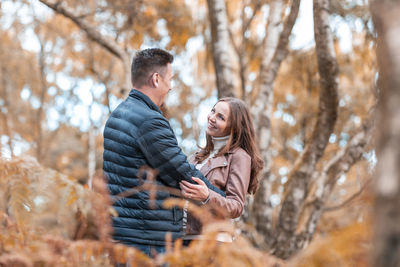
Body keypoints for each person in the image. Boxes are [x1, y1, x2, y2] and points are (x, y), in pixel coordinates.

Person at [102, 48, 225, 257]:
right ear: (156, 79)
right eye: (170, 79)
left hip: (123, 234)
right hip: (148, 240)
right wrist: (221, 199)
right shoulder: (149, 120)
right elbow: (181, 173)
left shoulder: (118, 114)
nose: (171, 86)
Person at [179, 97, 264, 241]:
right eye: (213, 111)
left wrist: (207, 196)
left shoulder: (239, 157)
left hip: (213, 240)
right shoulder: (197, 157)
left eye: (220, 117)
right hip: (185, 237)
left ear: (234, 127)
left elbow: (236, 206)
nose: (211, 118)